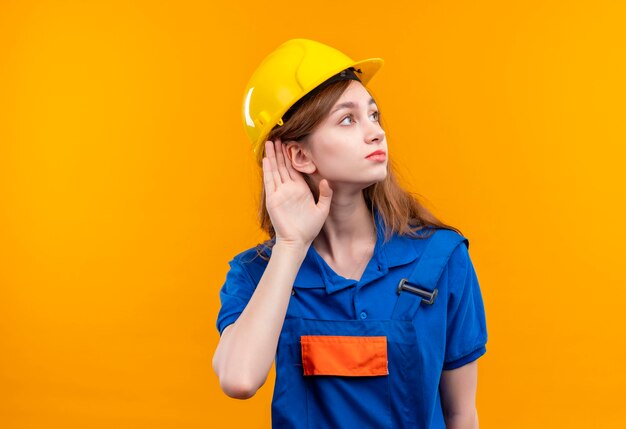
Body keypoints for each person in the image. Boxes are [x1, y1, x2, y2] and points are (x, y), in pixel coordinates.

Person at [212, 38, 488, 429]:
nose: (376, 133)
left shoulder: (442, 258)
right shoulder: (257, 275)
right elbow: (238, 379)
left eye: (374, 115)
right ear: (299, 156)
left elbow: (462, 414)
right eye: (348, 119)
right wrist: (291, 247)